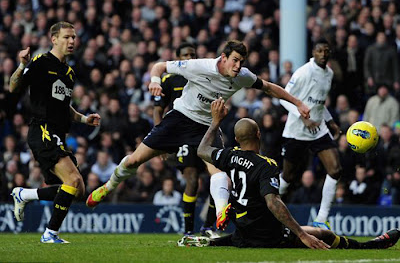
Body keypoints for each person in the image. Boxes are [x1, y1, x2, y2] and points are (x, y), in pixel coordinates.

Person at [86, 40, 310, 232]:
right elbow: (159, 66)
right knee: (135, 160)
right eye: (234, 60)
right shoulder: (199, 66)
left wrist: (298, 102)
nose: (238, 65)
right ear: (223, 57)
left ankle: (222, 212)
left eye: (241, 61)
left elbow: (270, 88)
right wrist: (154, 82)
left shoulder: (242, 76)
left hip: (206, 126)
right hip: (179, 118)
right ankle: (108, 186)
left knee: (219, 171)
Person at [177, 98, 400, 249]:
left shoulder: (228, 155)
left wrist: (215, 121)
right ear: (258, 133)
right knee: (320, 234)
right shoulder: (267, 165)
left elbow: (202, 150)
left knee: (234, 222)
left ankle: (209, 241)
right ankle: (370, 245)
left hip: (243, 231)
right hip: (267, 235)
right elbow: (274, 203)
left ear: (237, 139)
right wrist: (301, 235)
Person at [9, 21, 101, 243]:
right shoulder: (41, 62)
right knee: (72, 180)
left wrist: (84, 118)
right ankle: (50, 234)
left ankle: (25, 194)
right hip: (42, 129)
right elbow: (13, 86)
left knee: (77, 189)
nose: (72, 41)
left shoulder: (68, 72)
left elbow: (65, 107)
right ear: (54, 39)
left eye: (74, 37)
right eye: (67, 37)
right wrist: (22, 65)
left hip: (59, 133)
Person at [153, 42, 219, 237]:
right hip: (182, 134)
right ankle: (188, 230)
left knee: (217, 178)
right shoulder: (170, 79)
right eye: (185, 55)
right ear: (177, 58)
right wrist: (160, 140)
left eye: (192, 54)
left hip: (206, 132)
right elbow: (158, 110)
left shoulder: (207, 76)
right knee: (192, 180)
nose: (189, 58)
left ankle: (208, 227)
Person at [278, 38, 341, 230]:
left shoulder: (329, 73)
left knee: (335, 169)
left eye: (326, 51)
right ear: (313, 52)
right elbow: (283, 98)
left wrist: (330, 121)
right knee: (288, 176)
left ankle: (321, 219)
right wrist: (302, 116)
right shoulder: (304, 72)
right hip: (297, 130)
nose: (323, 54)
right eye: (319, 50)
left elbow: (319, 103)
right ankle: (266, 212)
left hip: (318, 129)